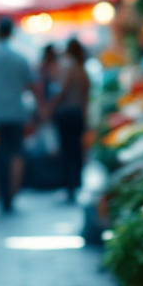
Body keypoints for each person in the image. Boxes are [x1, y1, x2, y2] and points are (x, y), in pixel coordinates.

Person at [0, 18, 40, 213]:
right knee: (16, 152)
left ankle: (2, 193)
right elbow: (30, 84)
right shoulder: (20, 57)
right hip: (16, 111)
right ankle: (12, 193)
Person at [51, 38, 89, 203]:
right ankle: (76, 184)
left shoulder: (69, 69)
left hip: (66, 114)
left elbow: (61, 91)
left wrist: (50, 107)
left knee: (67, 151)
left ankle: (69, 186)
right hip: (78, 115)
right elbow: (86, 97)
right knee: (76, 151)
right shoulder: (82, 70)